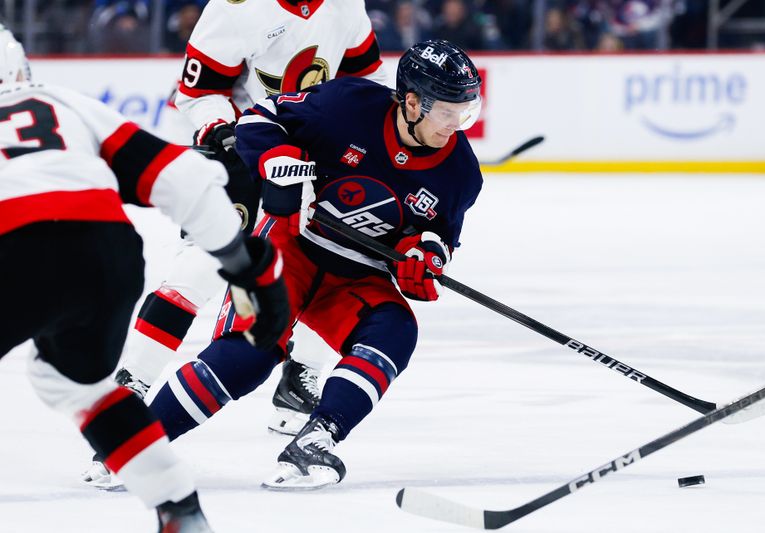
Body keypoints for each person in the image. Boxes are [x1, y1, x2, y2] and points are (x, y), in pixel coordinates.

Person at [146, 39, 484, 489]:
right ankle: (134, 444)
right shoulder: (347, 104)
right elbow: (262, 118)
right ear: (412, 101)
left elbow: (438, 234)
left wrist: (424, 257)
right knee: (249, 356)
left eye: (465, 111)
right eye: (447, 111)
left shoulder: (461, 171)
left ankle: (316, 439)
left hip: (358, 276)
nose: (456, 125)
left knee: (396, 331)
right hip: (294, 248)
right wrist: (274, 159)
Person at [0, 27, 289, 530]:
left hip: (13, 248)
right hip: (107, 256)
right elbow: (183, 177)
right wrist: (247, 268)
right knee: (75, 386)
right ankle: (179, 507)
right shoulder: (64, 103)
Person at [111, 0, 391, 448]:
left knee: (333, 267)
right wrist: (226, 131)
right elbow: (196, 94)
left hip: (318, 158)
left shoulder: (346, 4)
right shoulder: (234, 7)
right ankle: (133, 383)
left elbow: (367, 83)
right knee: (200, 267)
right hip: (245, 149)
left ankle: (300, 377)